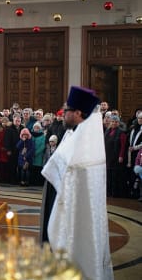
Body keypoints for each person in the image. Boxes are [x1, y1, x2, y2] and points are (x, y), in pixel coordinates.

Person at [39, 86, 113, 280]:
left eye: (66, 111)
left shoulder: (85, 145)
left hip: (76, 220)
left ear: (78, 113)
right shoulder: (76, 134)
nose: (63, 115)